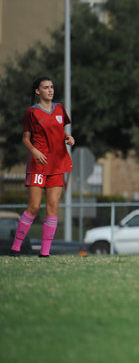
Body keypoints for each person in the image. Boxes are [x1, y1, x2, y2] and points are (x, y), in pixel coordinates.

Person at [9, 76, 75, 257]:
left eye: (51, 87)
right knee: (34, 207)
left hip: (57, 165)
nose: (50, 90)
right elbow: (26, 139)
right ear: (38, 91)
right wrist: (34, 151)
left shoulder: (60, 108)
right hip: (39, 165)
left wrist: (68, 138)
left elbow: (60, 132)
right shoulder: (32, 112)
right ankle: (15, 248)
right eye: (46, 87)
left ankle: (45, 253)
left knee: (53, 207)